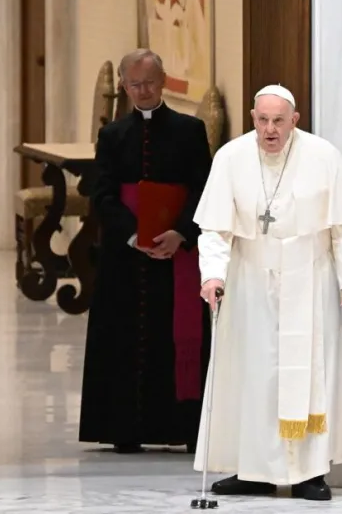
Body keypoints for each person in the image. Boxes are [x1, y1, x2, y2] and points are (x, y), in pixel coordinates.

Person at [191, 84, 342, 501]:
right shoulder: (231, 157)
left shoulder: (323, 156)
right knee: (255, 375)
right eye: (262, 120)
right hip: (252, 277)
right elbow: (214, 229)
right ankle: (255, 470)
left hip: (311, 276)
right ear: (253, 118)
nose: (270, 130)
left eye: (279, 121)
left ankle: (309, 472)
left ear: (295, 120)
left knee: (311, 373)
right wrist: (212, 276)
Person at [78, 49, 212, 454]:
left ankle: (183, 427)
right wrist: (134, 236)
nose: (143, 90)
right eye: (134, 83)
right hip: (126, 255)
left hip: (179, 258)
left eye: (150, 82)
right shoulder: (112, 136)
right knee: (124, 338)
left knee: (174, 341)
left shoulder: (190, 130)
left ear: (164, 80)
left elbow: (204, 190)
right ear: (123, 85)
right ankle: (125, 428)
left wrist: (181, 233)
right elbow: (101, 195)